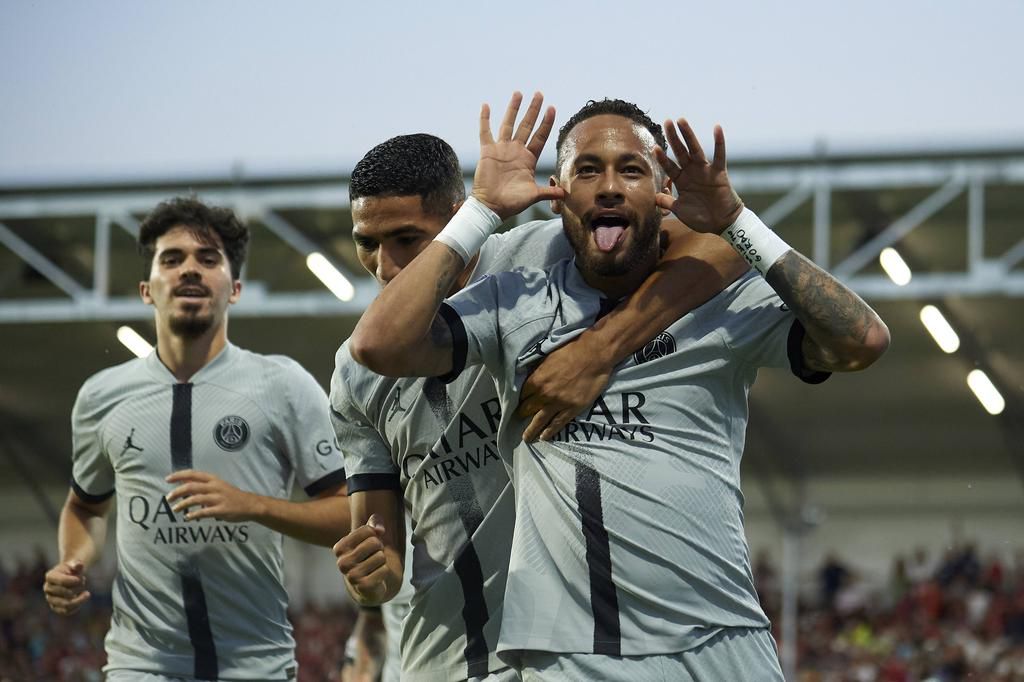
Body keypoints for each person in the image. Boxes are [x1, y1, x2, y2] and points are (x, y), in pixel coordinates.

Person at [347, 92, 890, 680]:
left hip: (728, 638)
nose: (608, 187)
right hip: (578, 652)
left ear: (663, 191)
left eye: (630, 170)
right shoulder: (514, 299)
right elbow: (377, 347)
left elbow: (861, 340)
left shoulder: (716, 301)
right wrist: (480, 209)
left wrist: (737, 222)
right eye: (587, 171)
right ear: (558, 192)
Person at [331, 129, 747, 681]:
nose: (385, 266)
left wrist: (601, 348)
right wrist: (372, 576)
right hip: (447, 660)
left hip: (575, 653)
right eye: (366, 243)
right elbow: (383, 556)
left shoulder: (540, 255)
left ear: (458, 218)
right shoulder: (355, 372)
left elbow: (724, 243)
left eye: (408, 239)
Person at [42, 197, 349, 681]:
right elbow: (85, 507)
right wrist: (72, 561)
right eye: (172, 259)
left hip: (257, 667)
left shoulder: (282, 385)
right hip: (139, 667)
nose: (189, 269)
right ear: (147, 290)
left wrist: (254, 505)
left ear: (235, 288)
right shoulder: (101, 397)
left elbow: (350, 513)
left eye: (208, 259)